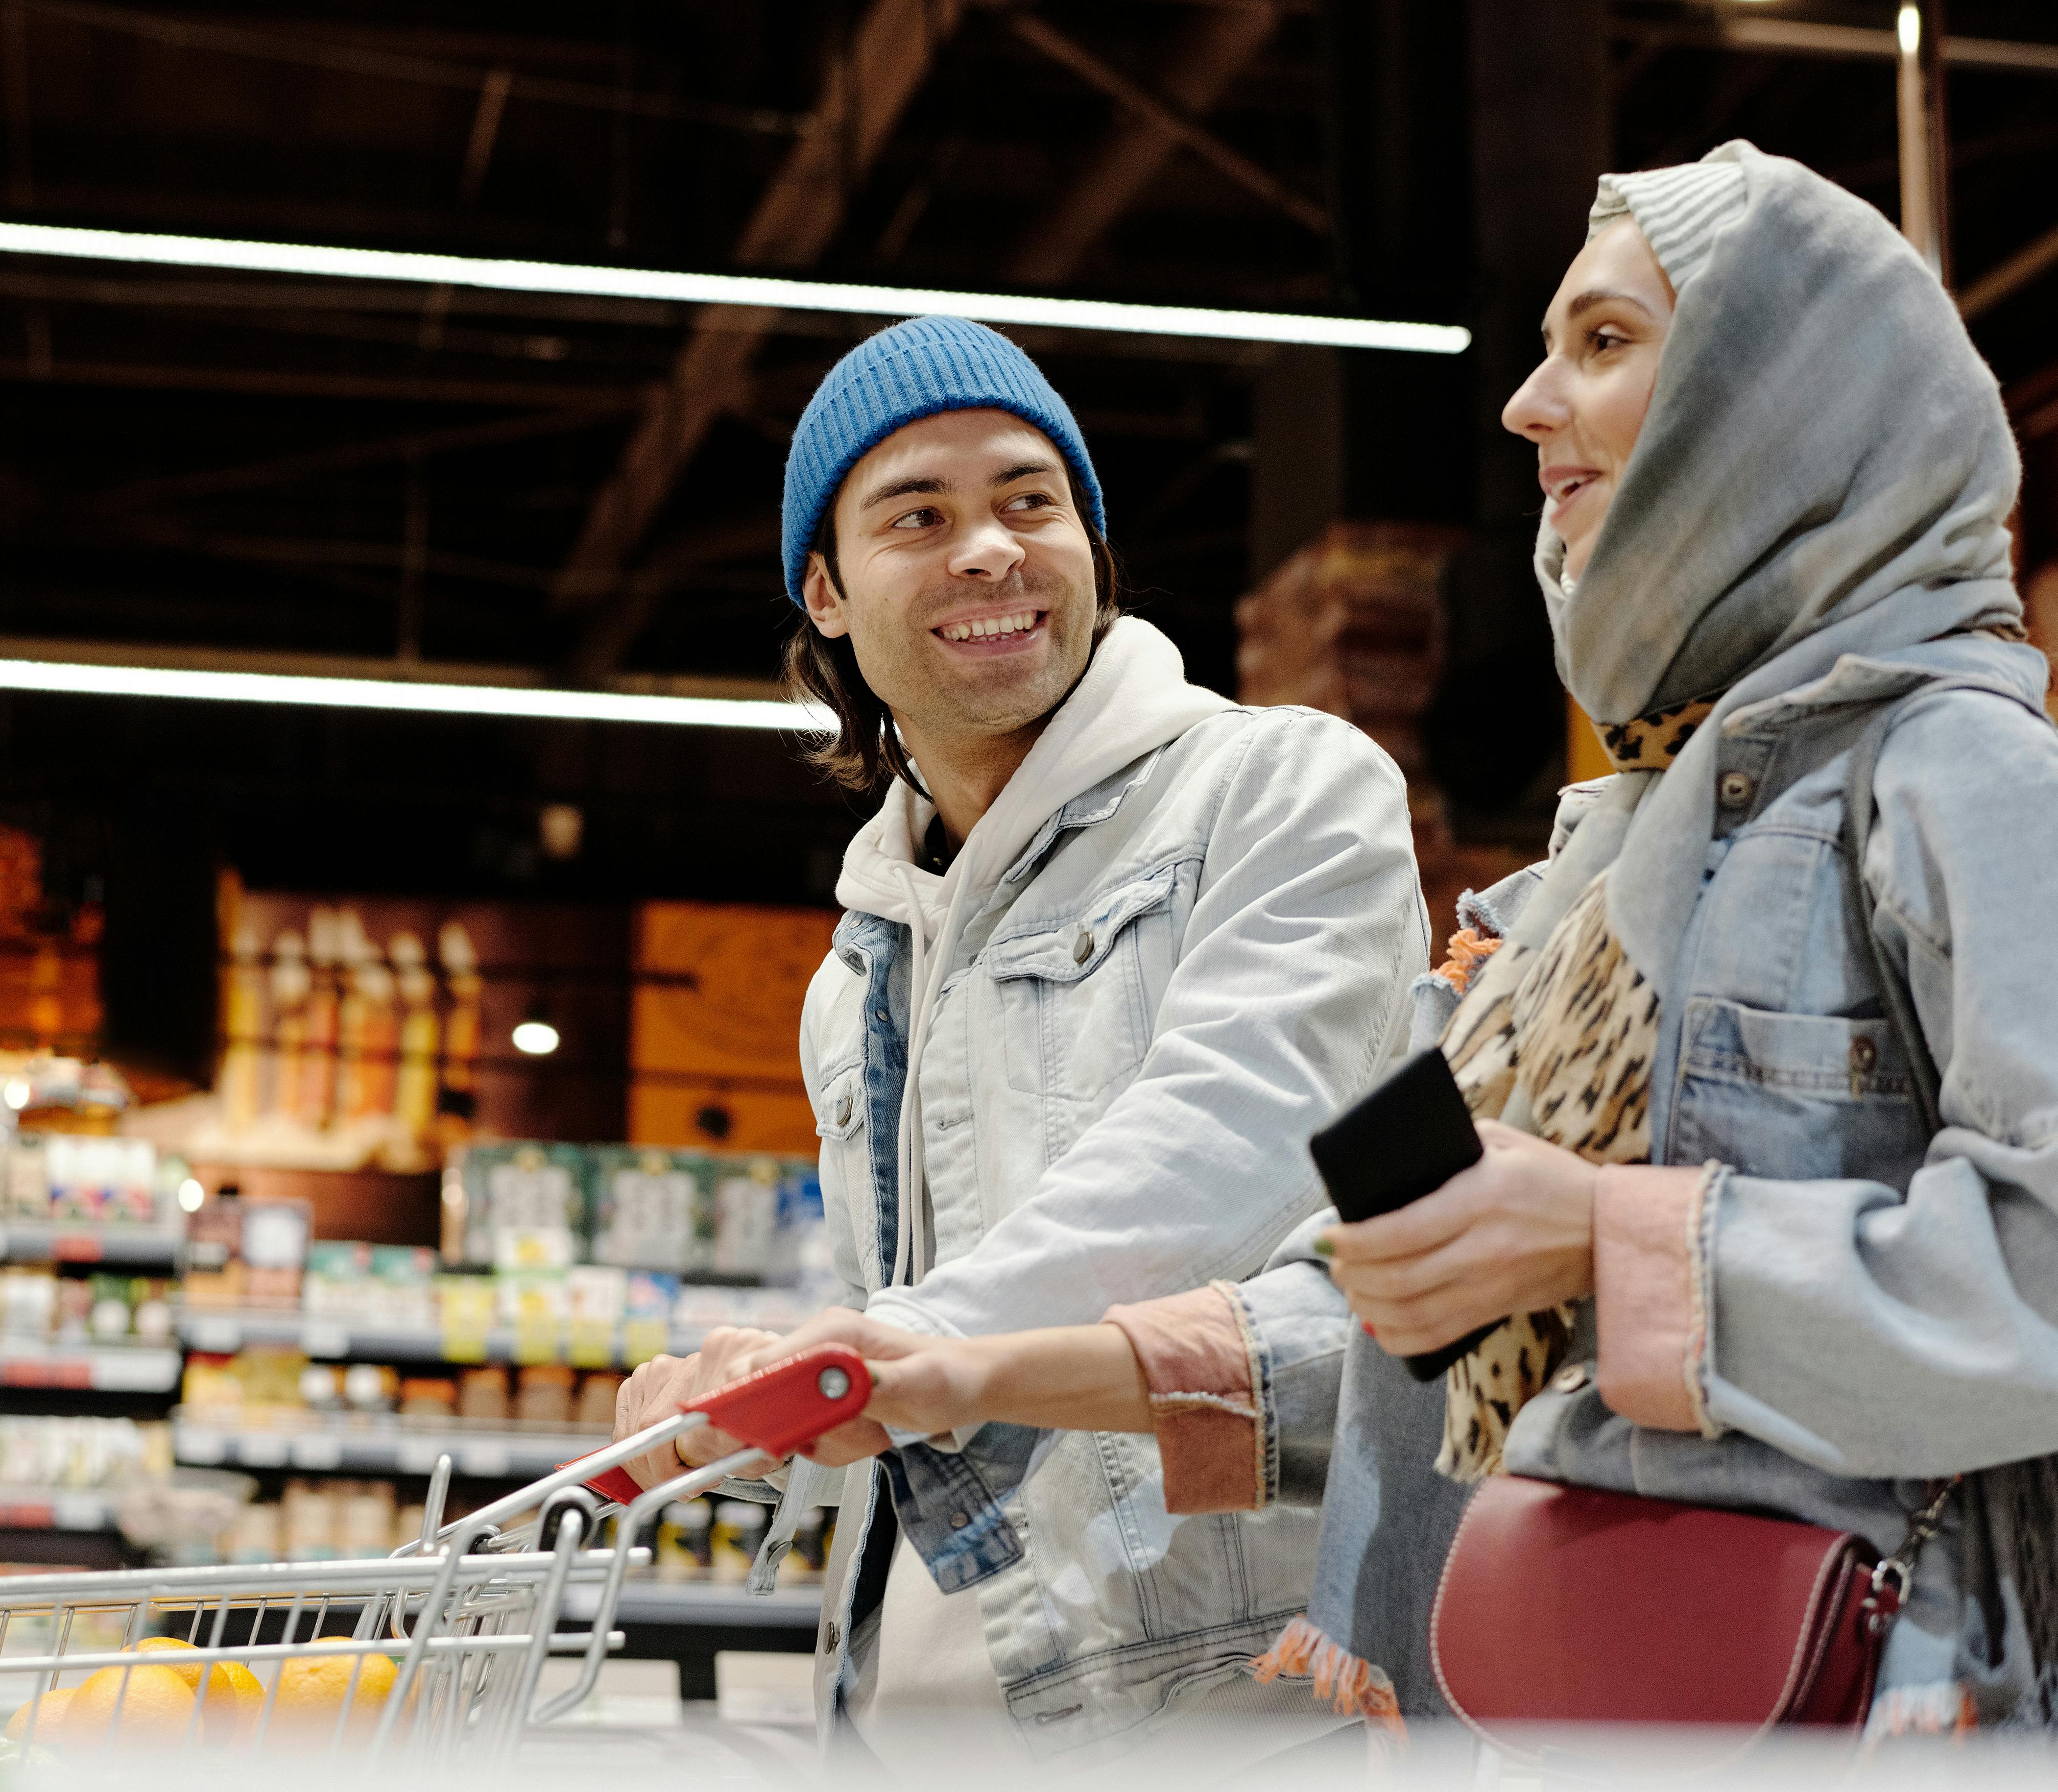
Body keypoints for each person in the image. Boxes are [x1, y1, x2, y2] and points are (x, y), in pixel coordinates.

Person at [754, 141, 2058, 1741]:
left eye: (1599, 344)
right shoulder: (1602, 870)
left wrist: (1608, 1244)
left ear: (1772, 400)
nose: (1521, 405)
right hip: (1589, 1710)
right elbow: (1359, 1303)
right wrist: (966, 1377)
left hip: (1880, 1706)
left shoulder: (1957, 772)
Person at [610, 314, 1427, 1765]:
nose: (988, 548)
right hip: (923, 1701)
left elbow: (1233, 1141)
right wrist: (757, 1414)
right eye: (917, 516)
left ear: (1090, 550)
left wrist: (900, 1346)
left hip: (1216, 1701)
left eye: (1027, 501)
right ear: (826, 591)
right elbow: (907, 1349)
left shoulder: (1280, 790)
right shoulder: (859, 959)